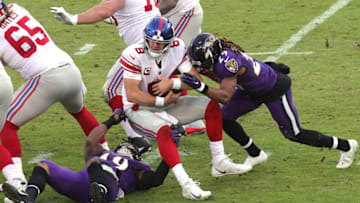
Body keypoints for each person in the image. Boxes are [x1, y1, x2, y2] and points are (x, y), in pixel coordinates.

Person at [121, 16, 252, 200]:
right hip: (138, 109)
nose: (155, 46)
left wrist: (172, 83)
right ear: (145, 38)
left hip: (165, 102)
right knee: (166, 132)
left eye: (161, 43)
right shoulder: (133, 54)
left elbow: (196, 81)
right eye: (152, 42)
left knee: (211, 107)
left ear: (170, 42)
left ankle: (219, 161)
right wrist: (162, 102)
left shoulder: (177, 47)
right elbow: (133, 94)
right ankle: (186, 184)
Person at [182, 32, 358, 169]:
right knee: (225, 118)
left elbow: (226, 97)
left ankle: (346, 146)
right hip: (251, 91)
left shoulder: (227, 62)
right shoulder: (219, 57)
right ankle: (255, 154)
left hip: (273, 89)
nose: (200, 67)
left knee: (294, 133)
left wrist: (201, 87)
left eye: (202, 63)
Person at [0, 1, 108, 192]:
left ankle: (18, 183)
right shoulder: (17, 8)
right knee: (80, 112)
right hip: (69, 67)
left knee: (7, 124)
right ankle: (109, 157)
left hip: (45, 77)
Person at [2, 110, 171, 203]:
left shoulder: (137, 169)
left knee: (96, 163)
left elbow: (156, 179)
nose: (125, 148)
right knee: (44, 166)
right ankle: (27, 199)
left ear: (136, 155)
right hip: (82, 183)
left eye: (129, 147)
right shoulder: (104, 152)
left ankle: (100, 195)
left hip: (111, 188)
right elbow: (91, 142)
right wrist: (110, 121)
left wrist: (170, 152)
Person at [157, 0, 206, 134]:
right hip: (178, 13)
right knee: (169, 62)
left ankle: (189, 120)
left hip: (181, 13)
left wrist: (146, 15)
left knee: (161, 62)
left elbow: (170, 2)